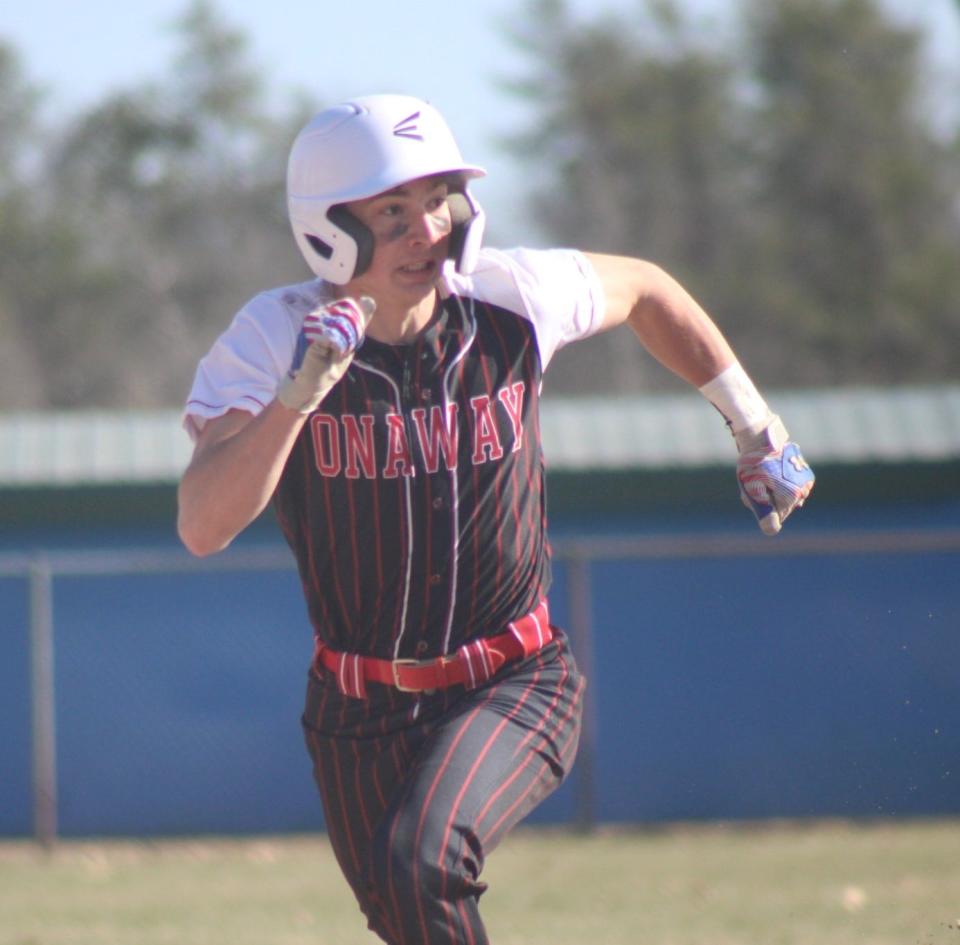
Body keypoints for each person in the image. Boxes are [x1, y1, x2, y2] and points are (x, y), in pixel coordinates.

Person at [177, 93, 814, 944]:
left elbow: (647, 289)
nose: (425, 228)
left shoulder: (513, 295)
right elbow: (202, 523)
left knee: (420, 863)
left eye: (437, 198)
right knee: (414, 913)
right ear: (327, 227)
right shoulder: (272, 336)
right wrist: (296, 399)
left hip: (514, 679)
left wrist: (755, 425)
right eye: (391, 210)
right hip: (356, 708)